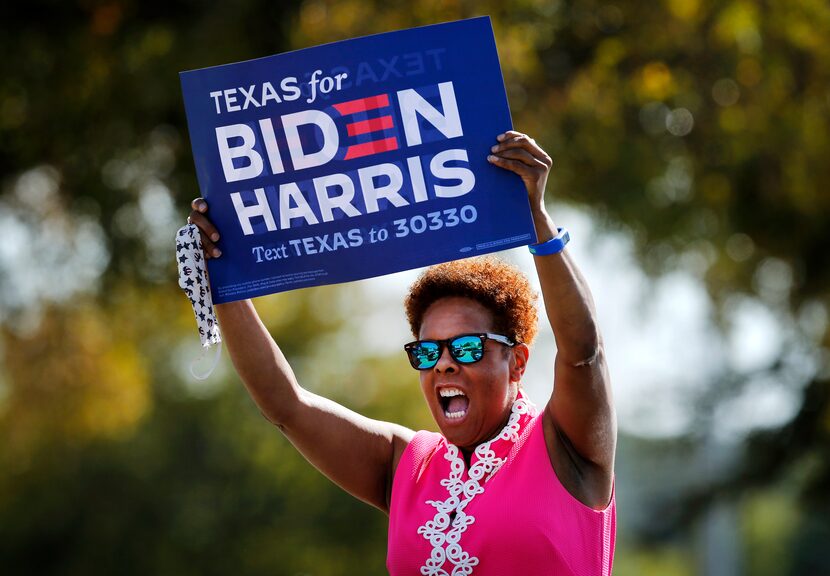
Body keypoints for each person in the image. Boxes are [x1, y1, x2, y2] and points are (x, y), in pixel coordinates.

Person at [186, 131, 616, 575]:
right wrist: (226, 276)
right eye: (427, 353)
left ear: (517, 362)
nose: (444, 363)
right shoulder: (406, 464)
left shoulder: (563, 444)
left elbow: (585, 353)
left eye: (466, 348)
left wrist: (537, 221)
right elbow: (285, 404)